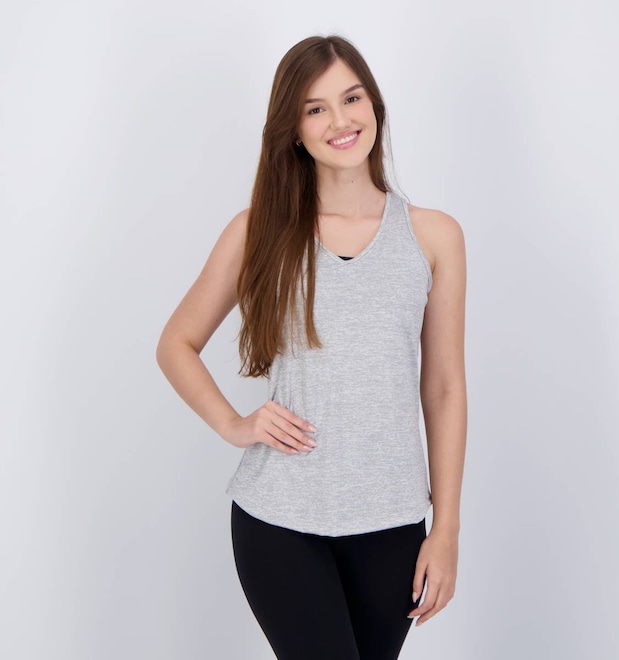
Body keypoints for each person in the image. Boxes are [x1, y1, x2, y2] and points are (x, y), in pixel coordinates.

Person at [156, 34, 467, 660]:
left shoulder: (434, 236)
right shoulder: (259, 232)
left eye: (351, 98)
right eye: (315, 108)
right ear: (294, 130)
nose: (340, 121)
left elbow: (443, 388)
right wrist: (235, 425)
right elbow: (176, 343)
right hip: (280, 519)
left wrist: (447, 531)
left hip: (393, 524)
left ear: (374, 105)